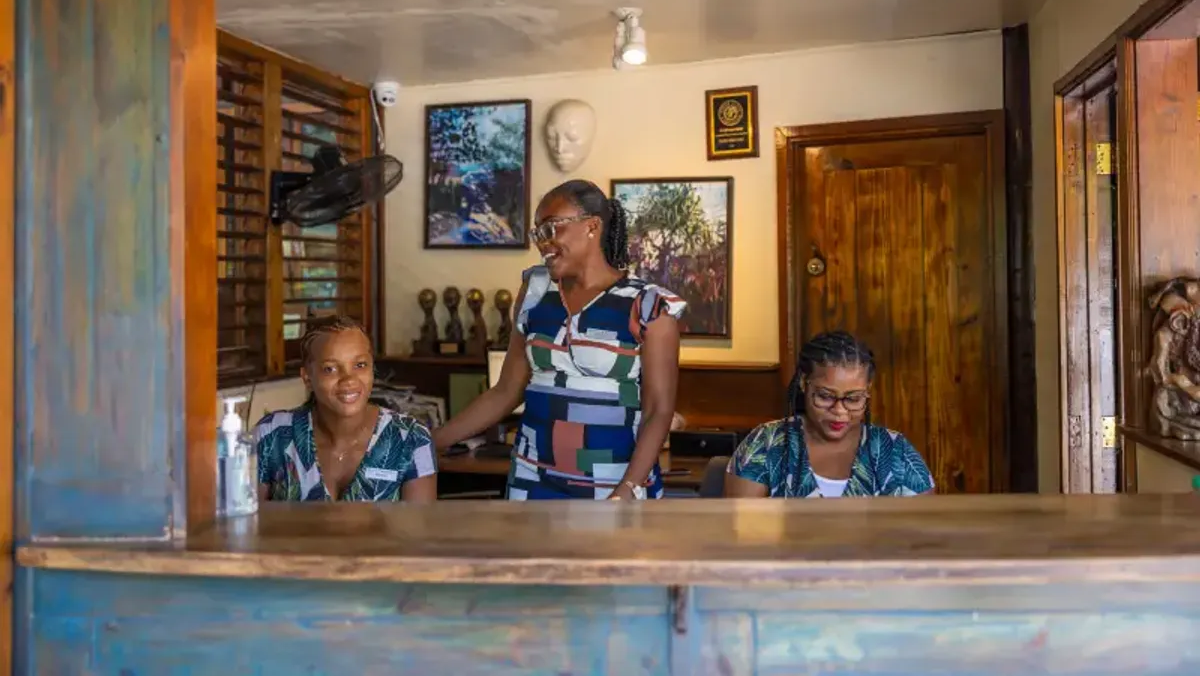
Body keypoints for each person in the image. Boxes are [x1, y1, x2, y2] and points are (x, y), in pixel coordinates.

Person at [434, 179, 686, 500]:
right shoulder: (536, 292)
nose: (542, 244)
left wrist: (626, 491)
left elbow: (658, 412)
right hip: (532, 479)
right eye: (537, 233)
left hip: (613, 483)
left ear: (592, 227)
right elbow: (505, 392)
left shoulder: (648, 306)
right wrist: (431, 443)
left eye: (551, 229)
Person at [725, 330, 934, 498]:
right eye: (825, 396)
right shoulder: (767, 443)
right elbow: (742, 534)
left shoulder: (895, 451)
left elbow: (921, 537)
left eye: (853, 399)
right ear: (803, 383)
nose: (839, 411)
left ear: (868, 391)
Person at [255, 316, 437, 502]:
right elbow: (244, 523)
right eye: (330, 369)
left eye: (360, 365)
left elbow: (418, 529)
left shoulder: (410, 438)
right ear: (307, 377)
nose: (349, 380)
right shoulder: (272, 434)